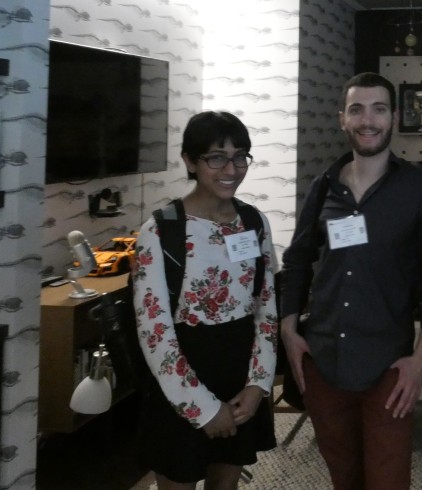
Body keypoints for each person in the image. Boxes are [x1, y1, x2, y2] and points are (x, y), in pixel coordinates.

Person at [280, 72, 422, 490]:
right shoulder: (323, 188)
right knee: (344, 478)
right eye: (356, 109)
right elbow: (298, 259)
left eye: (378, 109)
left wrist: (421, 361)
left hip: (388, 367)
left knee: (387, 480)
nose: (367, 120)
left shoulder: (421, 191)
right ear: (343, 119)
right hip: (322, 362)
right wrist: (287, 329)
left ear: (393, 117)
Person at [132, 111, 277, 490]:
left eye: (240, 156)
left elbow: (266, 306)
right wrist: (203, 407)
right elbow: (154, 331)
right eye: (217, 157)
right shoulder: (160, 231)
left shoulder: (254, 222)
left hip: (239, 372)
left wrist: (257, 384)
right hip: (181, 377)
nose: (231, 168)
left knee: (225, 484)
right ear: (190, 161)